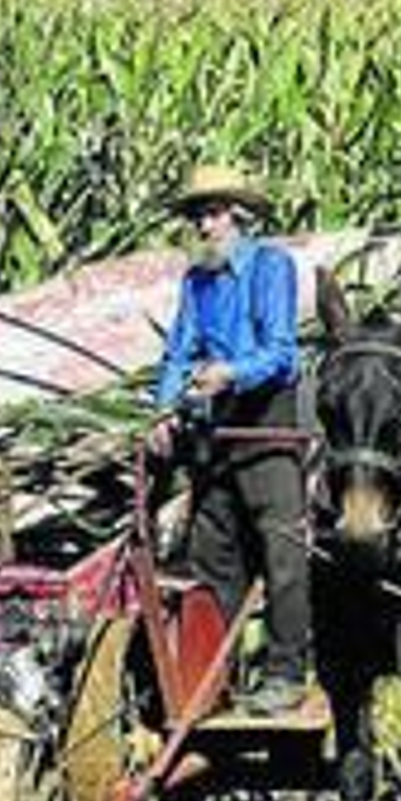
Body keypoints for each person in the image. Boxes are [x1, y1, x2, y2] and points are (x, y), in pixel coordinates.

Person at [149, 163, 313, 715]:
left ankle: (286, 673)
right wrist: (164, 411)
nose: (203, 226)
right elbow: (177, 353)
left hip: (266, 422)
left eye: (213, 213)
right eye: (197, 215)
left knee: (283, 550)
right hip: (216, 432)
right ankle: (214, 676)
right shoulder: (196, 283)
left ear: (239, 217)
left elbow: (281, 352)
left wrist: (230, 373)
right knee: (211, 552)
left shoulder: (272, 268)